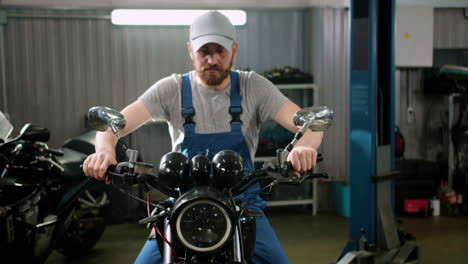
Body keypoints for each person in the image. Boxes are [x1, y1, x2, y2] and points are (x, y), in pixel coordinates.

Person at [83, 10, 323, 264]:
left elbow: (311, 125)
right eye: (204, 51)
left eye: (220, 51)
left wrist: (302, 149)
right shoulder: (171, 88)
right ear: (190, 50)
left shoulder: (254, 86)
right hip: (183, 204)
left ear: (234, 49)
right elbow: (112, 126)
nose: (212, 59)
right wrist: (105, 153)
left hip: (241, 204)